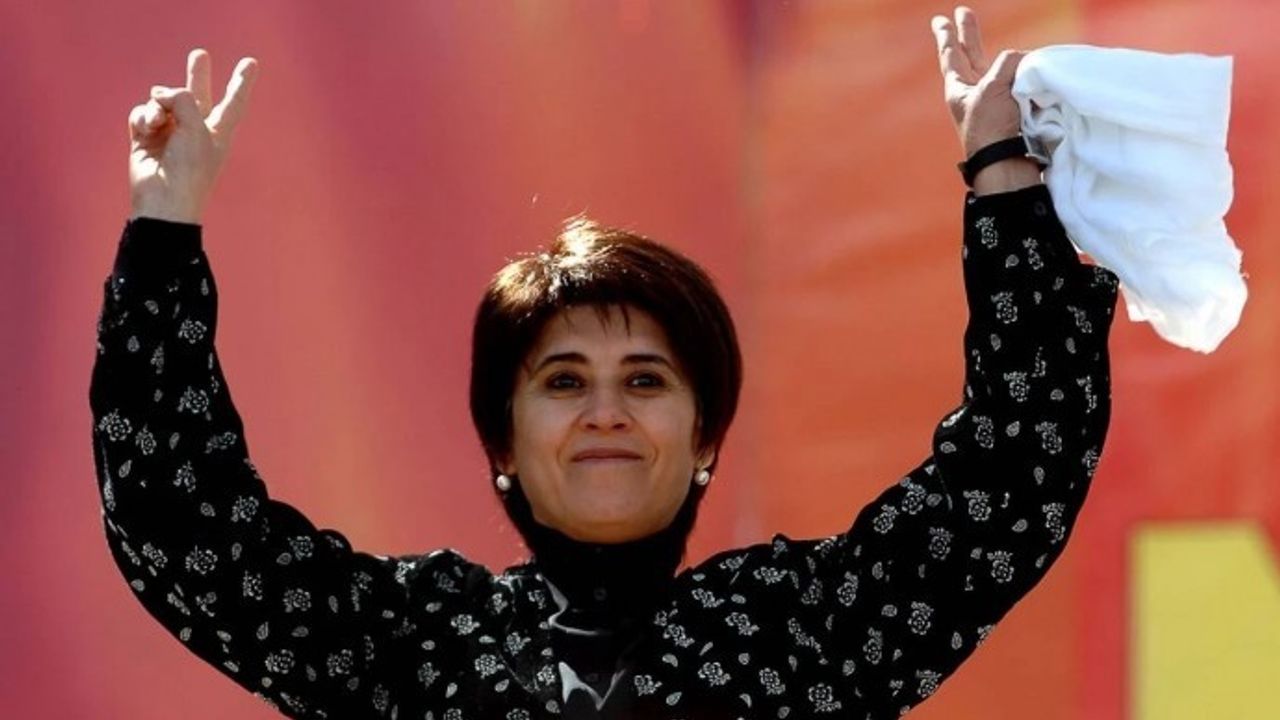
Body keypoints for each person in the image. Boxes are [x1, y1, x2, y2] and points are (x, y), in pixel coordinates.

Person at [90, 7, 1119, 719]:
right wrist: (163, 230)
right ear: (501, 440)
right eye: (563, 381)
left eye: (645, 380)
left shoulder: (797, 628)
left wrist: (1001, 180)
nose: (605, 412)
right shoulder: (413, 640)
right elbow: (181, 527)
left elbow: (1013, 474)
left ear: (704, 434)